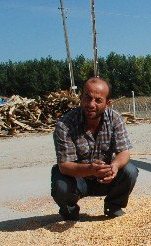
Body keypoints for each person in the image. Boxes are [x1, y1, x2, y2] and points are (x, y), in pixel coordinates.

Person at [51, 76, 138, 220]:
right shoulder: (65, 125)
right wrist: (90, 169)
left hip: (105, 179)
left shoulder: (114, 119)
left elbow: (124, 152)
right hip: (78, 180)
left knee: (130, 171)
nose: (91, 104)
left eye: (98, 100)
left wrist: (114, 166)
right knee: (61, 183)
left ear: (107, 103)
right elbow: (64, 166)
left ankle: (113, 206)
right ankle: (69, 210)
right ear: (81, 97)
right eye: (87, 98)